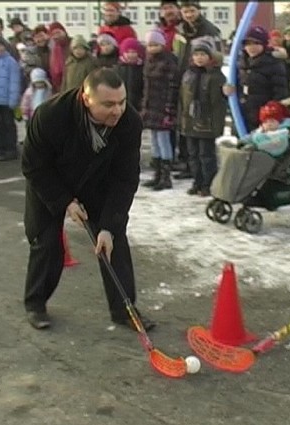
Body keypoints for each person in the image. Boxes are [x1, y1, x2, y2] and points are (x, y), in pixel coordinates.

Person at [21, 68, 155, 332]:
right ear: (86, 98)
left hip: (97, 182)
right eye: (108, 104)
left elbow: (125, 179)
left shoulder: (129, 123)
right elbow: (33, 166)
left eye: (121, 102)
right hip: (52, 180)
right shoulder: (50, 115)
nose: (117, 111)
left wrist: (108, 226)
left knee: (113, 242)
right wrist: (65, 202)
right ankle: (36, 304)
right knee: (46, 243)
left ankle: (124, 309)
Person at [178, 36, 226, 196]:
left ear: (209, 57)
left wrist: (217, 126)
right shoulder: (188, 74)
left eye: (203, 55)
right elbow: (182, 99)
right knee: (193, 154)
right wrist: (181, 120)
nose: (199, 58)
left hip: (207, 122)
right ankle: (197, 181)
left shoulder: (216, 76)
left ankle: (208, 183)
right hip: (190, 121)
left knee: (206, 155)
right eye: (196, 54)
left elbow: (218, 105)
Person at [223, 26, 288, 133]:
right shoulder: (240, 63)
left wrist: (272, 112)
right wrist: (227, 90)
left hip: (264, 117)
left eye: (256, 43)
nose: (251, 47)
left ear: (263, 44)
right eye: (248, 44)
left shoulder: (273, 63)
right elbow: (234, 84)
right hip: (242, 113)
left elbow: (280, 91)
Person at [141, 29, 179, 191]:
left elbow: (172, 87)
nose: (152, 48)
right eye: (149, 45)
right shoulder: (149, 61)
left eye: (155, 44)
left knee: (164, 141)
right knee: (155, 140)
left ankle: (166, 175)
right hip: (151, 106)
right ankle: (157, 173)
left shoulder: (169, 62)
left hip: (163, 106)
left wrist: (169, 109)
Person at [115, 37, 144, 111]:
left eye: (134, 52)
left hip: (137, 105)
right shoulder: (118, 69)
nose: (131, 55)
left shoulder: (142, 68)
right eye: (128, 52)